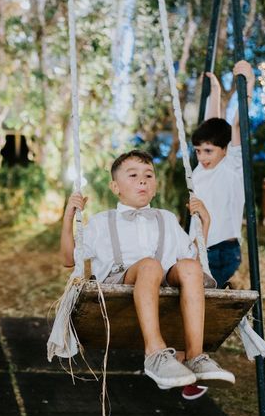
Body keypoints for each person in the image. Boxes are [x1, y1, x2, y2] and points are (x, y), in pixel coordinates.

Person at [60, 150, 234, 391]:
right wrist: (68, 216)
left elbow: (192, 258)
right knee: (150, 265)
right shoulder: (102, 221)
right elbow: (69, 259)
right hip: (119, 281)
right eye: (132, 175)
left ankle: (196, 356)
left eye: (148, 175)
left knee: (191, 267)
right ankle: (155, 354)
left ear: (155, 185)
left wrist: (205, 223)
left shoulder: (167, 218)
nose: (142, 180)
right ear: (115, 186)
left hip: (162, 279)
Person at [182, 60, 254, 400]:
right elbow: (216, 124)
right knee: (185, 304)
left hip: (222, 250)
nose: (203, 156)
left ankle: (193, 368)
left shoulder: (232, 165)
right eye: (198, 150)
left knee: (200, 307)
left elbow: (235, 125)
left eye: (209, 150)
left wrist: (245, 85)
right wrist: (214, 91)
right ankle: (183, 363)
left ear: (225, 150)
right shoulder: (201, 168)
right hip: (197, 248)